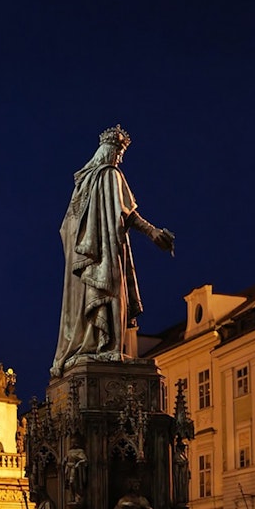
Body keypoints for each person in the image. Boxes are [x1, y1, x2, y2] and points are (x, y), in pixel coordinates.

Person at [51, 125, 175, 376]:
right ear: (107, 150)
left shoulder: (82, 185)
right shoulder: (110, 175)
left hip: (86, 260)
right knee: (113, 292)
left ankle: (96, 345)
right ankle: (110, 349)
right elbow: (127, 214)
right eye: (117, 152)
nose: (119, 158)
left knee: (100, 298)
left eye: (121, 154)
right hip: (105, 252)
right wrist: (152, 232)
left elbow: (66, 228)